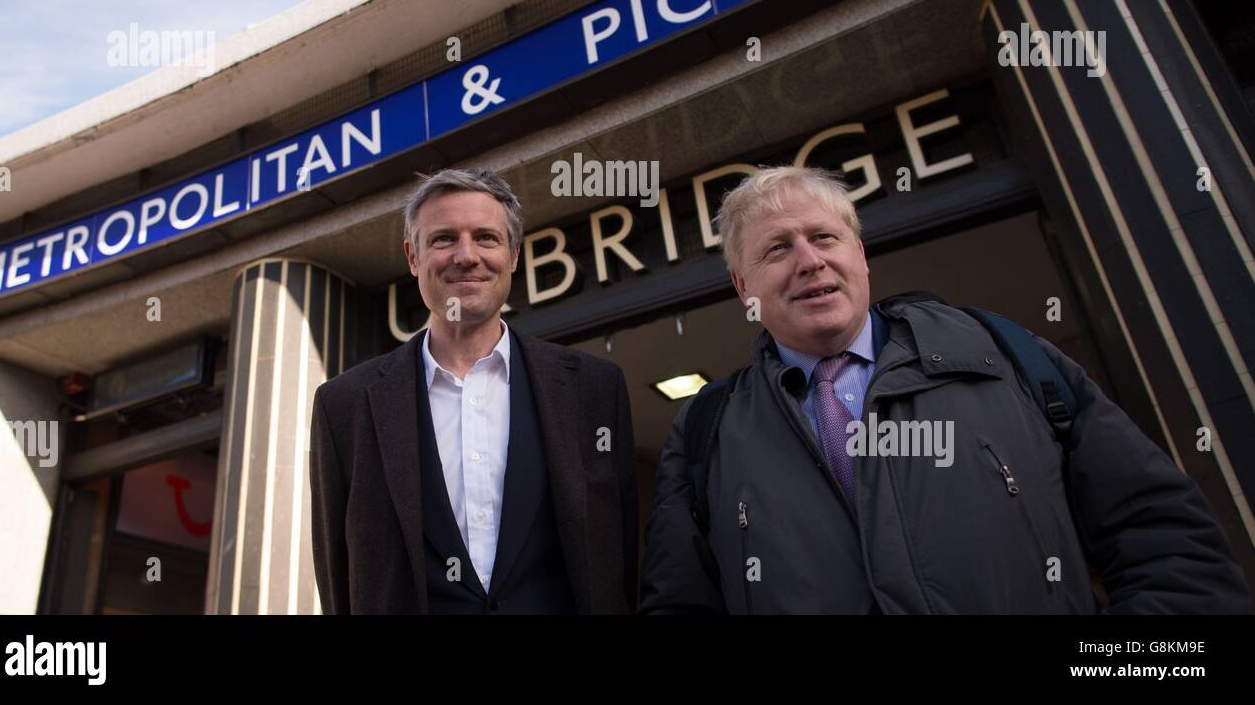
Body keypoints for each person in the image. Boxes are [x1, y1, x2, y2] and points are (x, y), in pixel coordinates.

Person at [640, 165, 1250, 614]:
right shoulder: (706, 433)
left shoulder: (1008, 355)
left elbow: (1171, 547)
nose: (808, 261)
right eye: (777, 249)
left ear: (860, 253)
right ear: (743, 285)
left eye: (824, 238)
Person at [310, 168, 637, 613]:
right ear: (412, 257)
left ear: (514, 255)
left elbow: (620, 558)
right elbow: (338, 577)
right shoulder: (343, 405)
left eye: (486, 237)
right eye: (444, 239)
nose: (467, 256)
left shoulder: (595, 388)